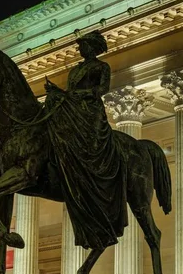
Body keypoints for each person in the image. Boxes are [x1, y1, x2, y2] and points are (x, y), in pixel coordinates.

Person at [44, 31, 127, 250]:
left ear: (93, 47)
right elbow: (70, 91)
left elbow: (102, 89)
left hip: (90, 112)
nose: (81, 49)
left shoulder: (101, 67)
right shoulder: (75, 69)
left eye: (84, 45)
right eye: (81, 46)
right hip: (73, 110)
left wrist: (81, 95)